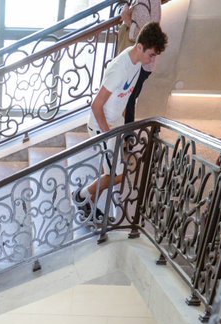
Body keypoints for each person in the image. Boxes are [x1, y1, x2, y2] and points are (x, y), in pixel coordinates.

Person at [74, 21, 168, 223]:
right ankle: (81, 195)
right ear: (140, 47)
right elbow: (96, 105)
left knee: (110, 171)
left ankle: (90, 202)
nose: (152, 60)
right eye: (151, 54)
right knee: (118, 176)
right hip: (101, 127)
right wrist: (108, 134)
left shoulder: (137, 63)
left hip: (115, 124)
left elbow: (125, 98)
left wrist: (123, 126)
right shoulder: (120, 68)